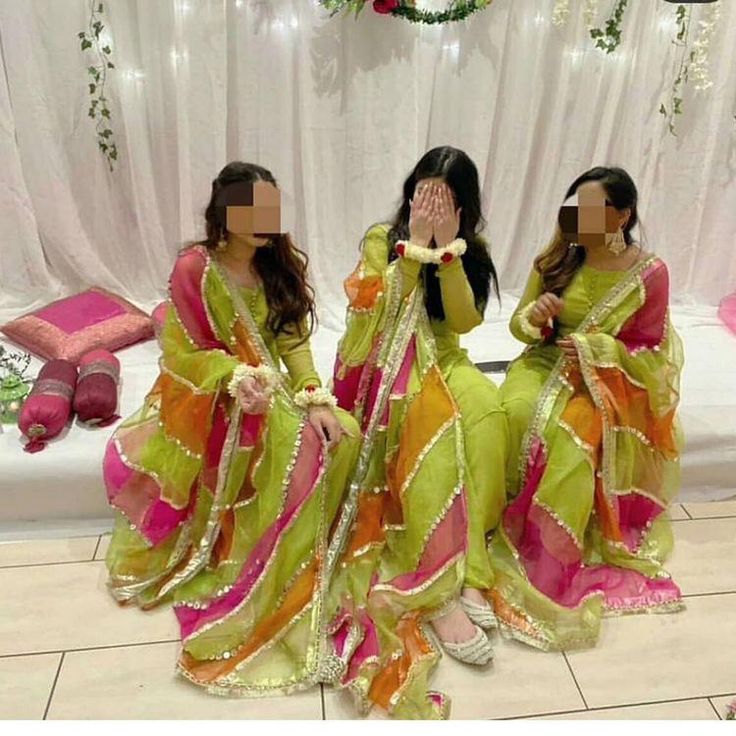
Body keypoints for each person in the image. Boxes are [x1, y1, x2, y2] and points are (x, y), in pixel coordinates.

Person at [103, 161, 360, 696]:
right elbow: (181, 351)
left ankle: (303, 555)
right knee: (297, 451)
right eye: (252, 208)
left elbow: (291, 342)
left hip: (271, 394)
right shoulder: (195, 267)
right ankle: (263, 572)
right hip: (214, 402)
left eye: (272, 208)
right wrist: (233, 375)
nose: (265, 220)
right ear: (224, 210)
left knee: (343, 432)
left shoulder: (276, 264)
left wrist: (314, 397)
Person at [326, 146, 508, 718]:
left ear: (464, 207)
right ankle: (432, 576)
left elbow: (462, 323)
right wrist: (414, 250)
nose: (430, 204)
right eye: (424, 191)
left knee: (484, 414)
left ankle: (473, 571)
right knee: (427, 419)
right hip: (384, 360)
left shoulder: (470, 251)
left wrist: (448, 253)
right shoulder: (382, 239)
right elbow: (371, 313)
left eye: (445, 198)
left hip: (444, 356)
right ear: (410, 191)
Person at [490, 166, 684, 651]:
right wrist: (534, 320)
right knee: (511, 413)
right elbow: (518, 325)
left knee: (571, 438)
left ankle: (548, 555)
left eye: (591, 209)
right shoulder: (556, 257)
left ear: (621, 216)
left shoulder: (649, 273)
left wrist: (601, 352)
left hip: (607, 388)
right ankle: (496, 523)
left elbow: (652, 353)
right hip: (542, 365)